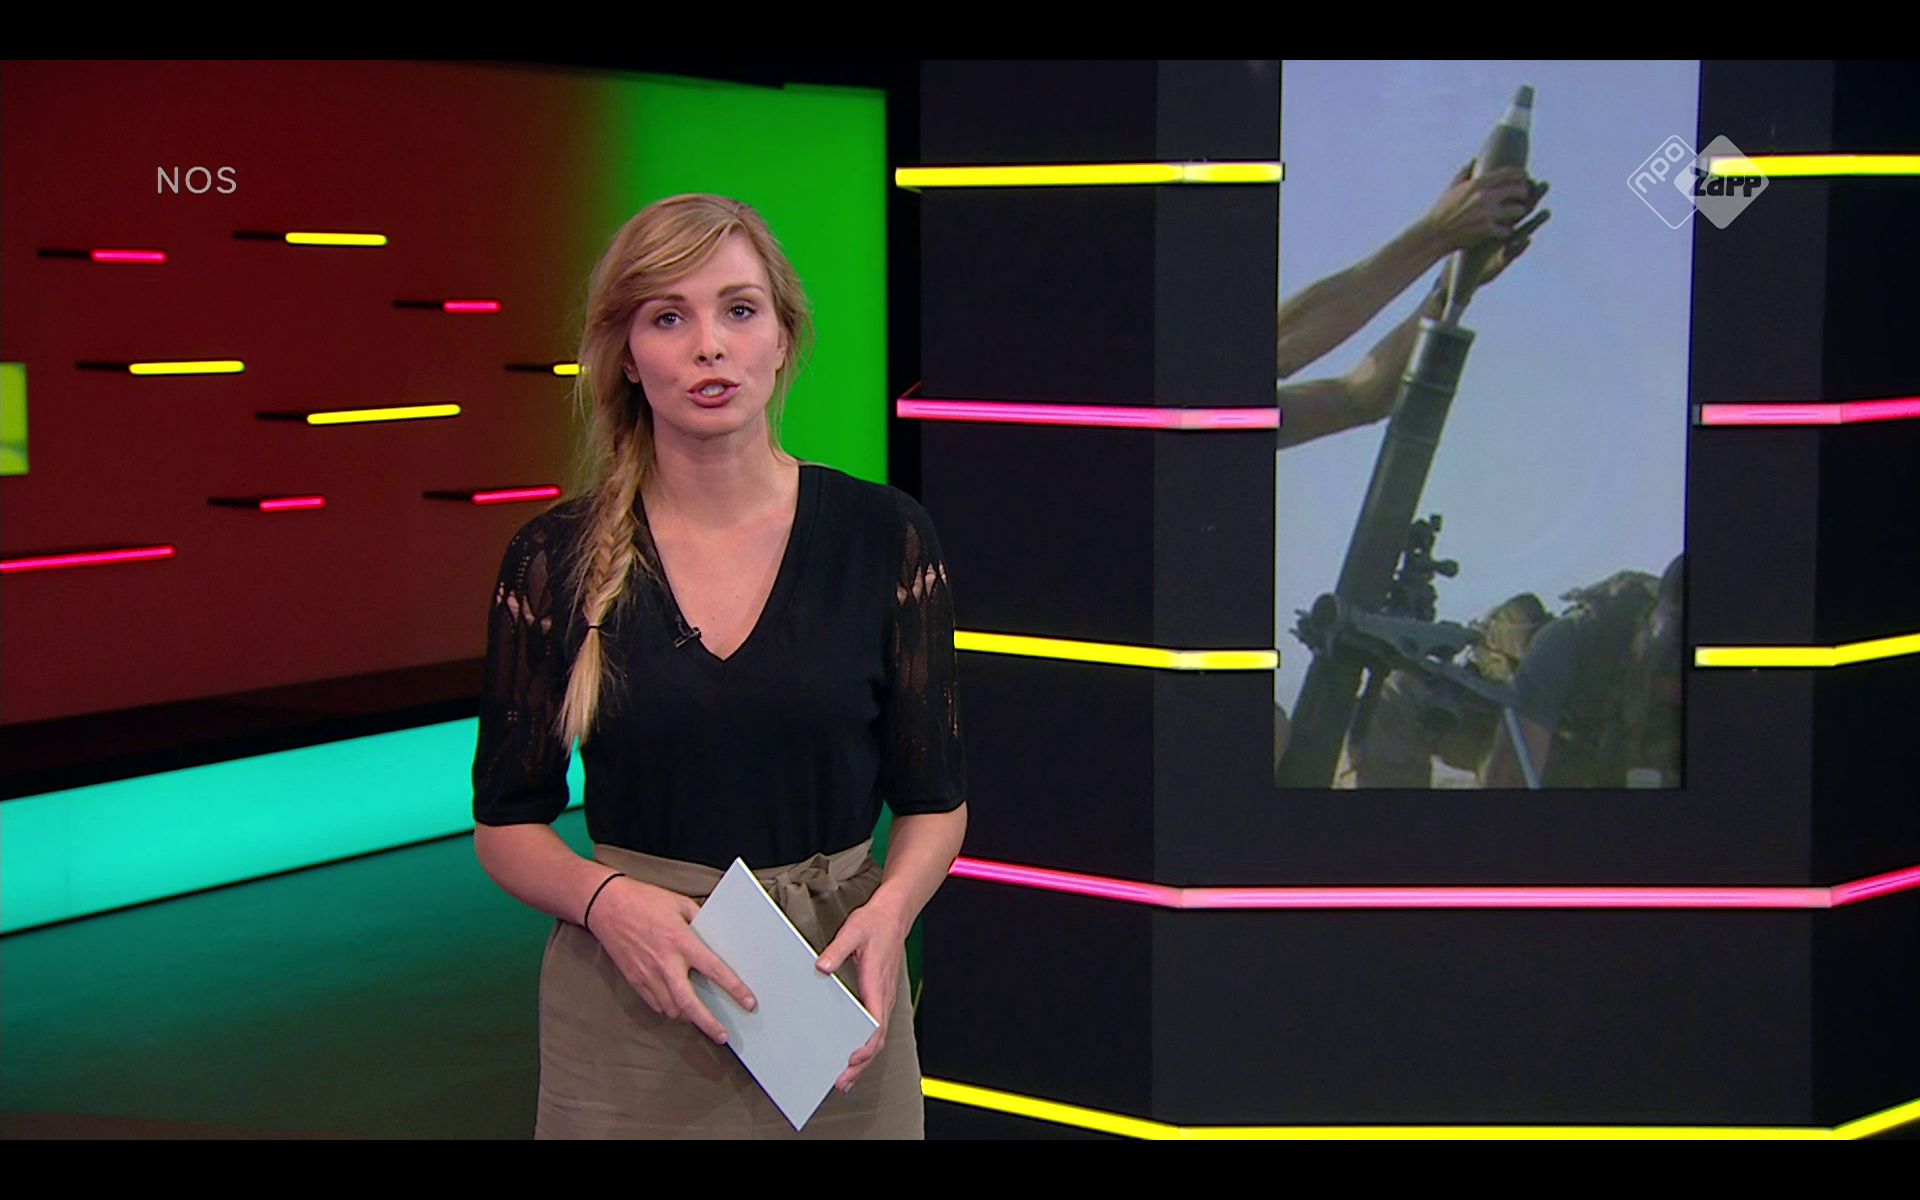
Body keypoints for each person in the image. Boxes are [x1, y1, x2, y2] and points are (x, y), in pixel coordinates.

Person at [470, 194, 968, 1139]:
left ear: (782, 338)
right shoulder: (553, 557)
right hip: (631, 998)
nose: (709, 346)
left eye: (739, 310)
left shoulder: (886, 537)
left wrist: (892, 911)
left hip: (833, 997)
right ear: (626, 355)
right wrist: (607, 904)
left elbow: (936, 801)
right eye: (669, 317)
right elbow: (505, 824)